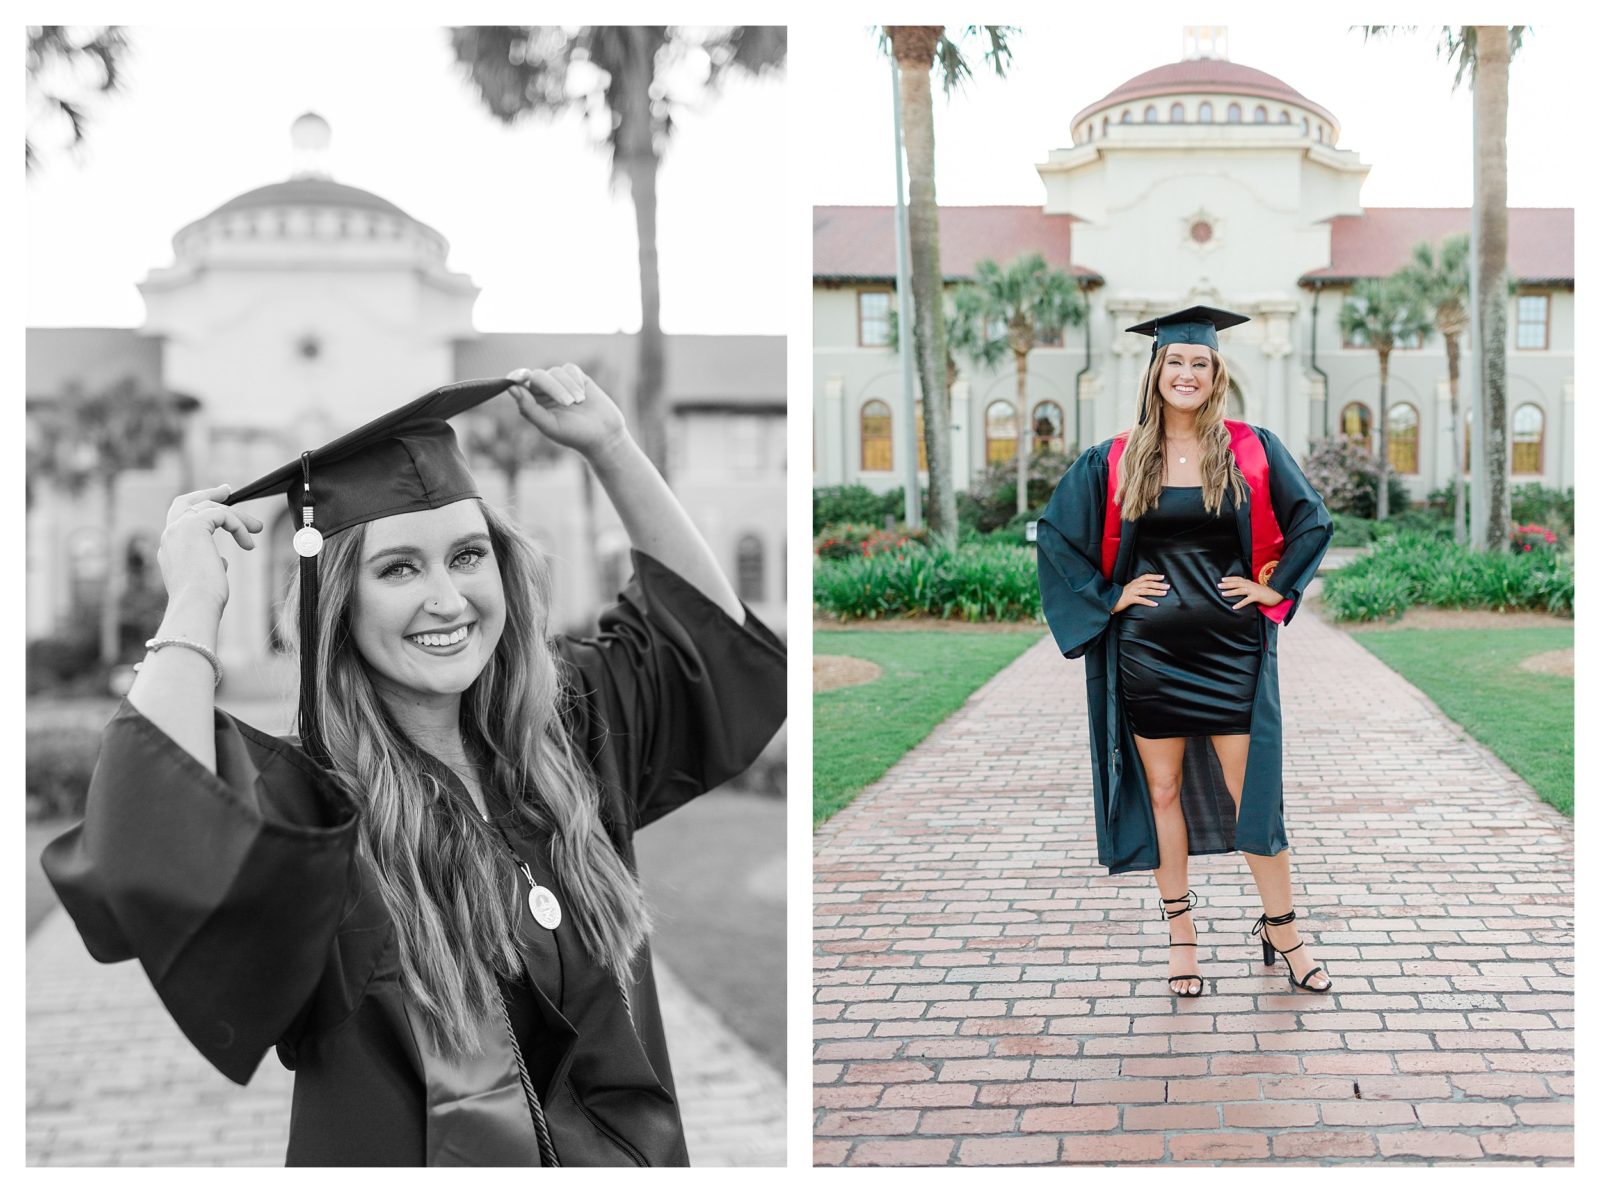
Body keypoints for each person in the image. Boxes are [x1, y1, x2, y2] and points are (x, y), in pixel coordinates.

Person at [43, 366, 787, 1166]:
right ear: (339, 604)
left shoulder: (565, 736)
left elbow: (706, 640)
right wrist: (192, 601)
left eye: (468, 555)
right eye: (398, 568)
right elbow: (139, 846)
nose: (448, 598)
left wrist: (611, 447)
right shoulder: (312, 813)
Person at [1035, 307, 1334, 999]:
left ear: (1216, 373)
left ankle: (1283, 929)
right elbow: (1056, 537)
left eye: (1199, 363)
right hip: (1150, 656)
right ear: (1155, 371)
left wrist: (1273, 590)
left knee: (1253, 796)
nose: (1187, 373)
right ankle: (1182, 939)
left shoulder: (1252, 448)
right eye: (1175, 362)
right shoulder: (1115, 457)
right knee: (1163, 791)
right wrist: (1109, 596)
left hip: (1233, 651)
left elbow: (1311, 518)